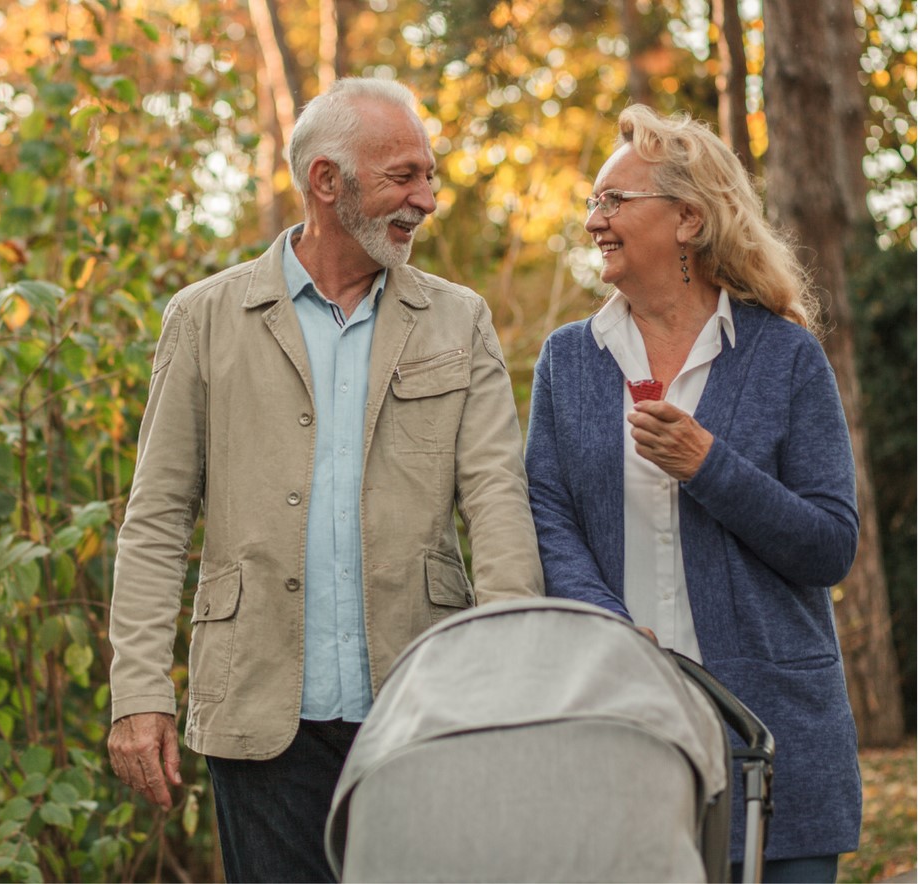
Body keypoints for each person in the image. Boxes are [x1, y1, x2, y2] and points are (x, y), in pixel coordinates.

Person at [106, 77, 542, 883]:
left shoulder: (459, 319)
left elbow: (495, 498)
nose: (427, 198)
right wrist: (138, 692)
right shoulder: (202, 318)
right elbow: (157, 516)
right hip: (260, 708)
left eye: (429, 175)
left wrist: (503, 668)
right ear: (326, 182)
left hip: (422, 701)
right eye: (403, 177)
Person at [525, 104, 862, 883]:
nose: (592, 222)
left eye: (613, 202)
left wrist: (709, 465)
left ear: (686, 219)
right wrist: (607, 627)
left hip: (776, 742)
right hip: (621, 730)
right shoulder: (567, 360)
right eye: (592, 203)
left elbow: (828, 546)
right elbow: (547, 514)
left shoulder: (784, 356)